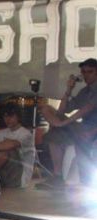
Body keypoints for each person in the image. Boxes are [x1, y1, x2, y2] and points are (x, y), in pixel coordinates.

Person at [37, 58, 97, 188]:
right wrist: (68, 89)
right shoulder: (83, 92)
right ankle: (58, 175)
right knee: (47, 110)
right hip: (83, 129)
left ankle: (58, 129)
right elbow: (61, 111)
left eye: (90, 72)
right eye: (84, 72)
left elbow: (87, 109)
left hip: (93, 130)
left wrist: (64, 123)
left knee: (58, 127)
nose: (86, 75)